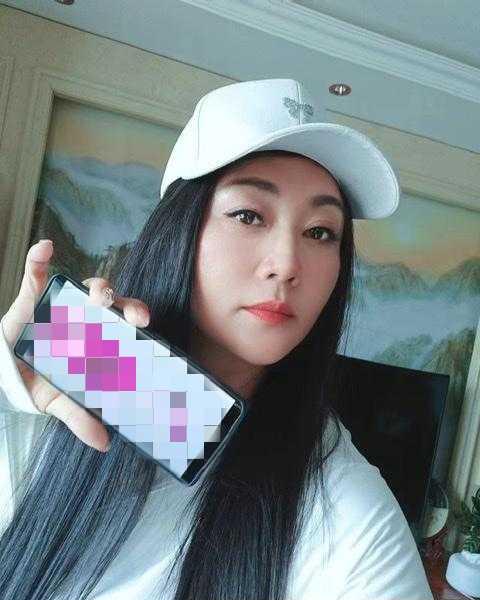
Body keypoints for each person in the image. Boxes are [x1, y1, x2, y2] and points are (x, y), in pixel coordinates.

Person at [0, 78, 434, 600]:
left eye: (321, 232)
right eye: (249, 215)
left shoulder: (349, 514)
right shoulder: (47, 405)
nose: (286, 264)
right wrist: (8, 389)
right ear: (179, 230)